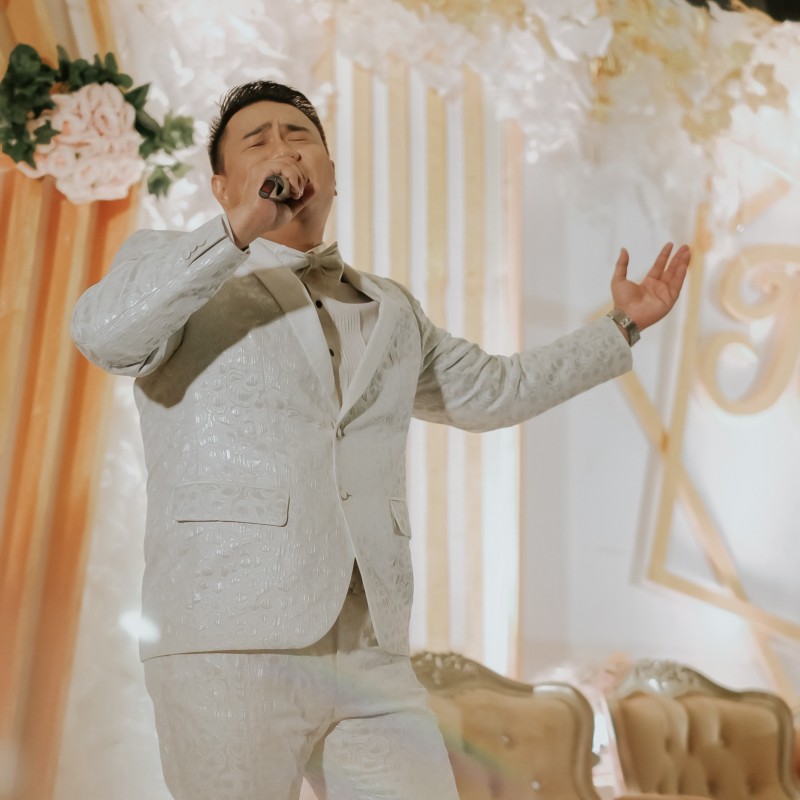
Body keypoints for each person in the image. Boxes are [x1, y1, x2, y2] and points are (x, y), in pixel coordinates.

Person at [71, 80, 690, 800]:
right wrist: (235, 232)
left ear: (331, 174)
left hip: (371, 644)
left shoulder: (392, 307)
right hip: (226, 635)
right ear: (222, 185)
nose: (283, 149)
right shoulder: (172, 268)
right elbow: (105, 336)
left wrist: (622, 326)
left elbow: (493, 391)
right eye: (257, 140)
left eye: (299, 135)